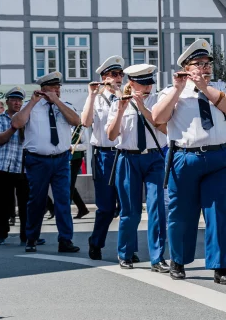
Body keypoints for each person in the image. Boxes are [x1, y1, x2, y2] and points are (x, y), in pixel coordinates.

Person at [152, 39, 226, 284]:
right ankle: (178, 261)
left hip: (220, 156)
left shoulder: (221, 87)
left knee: (219, 213)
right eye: (198, 64)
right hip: (185, 157)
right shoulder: (171, 91)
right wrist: (179, 89)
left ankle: (220, 266)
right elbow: (158, 118)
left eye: (207, 63)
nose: (204, 68)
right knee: (181, 213)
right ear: (186, 68)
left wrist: (204, 87)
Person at [106, 64, 169, 272]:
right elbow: (111, 136)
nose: (148, 88)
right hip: (128, 159)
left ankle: (157, 257)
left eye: (149, 83)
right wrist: (120, 111)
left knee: (157, 207)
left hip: (154, 158)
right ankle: (125, 253)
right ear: (131, 83)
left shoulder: (159, 99)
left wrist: (142, 106)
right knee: (130, 210)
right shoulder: (118, 103)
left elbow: (162, 125)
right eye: (143, 84)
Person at [11, 72, 81, 253]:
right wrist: (33, 102)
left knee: (63, 200)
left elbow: (76, 121)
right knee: (36, 201)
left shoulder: (65, 106)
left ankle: (65, 240)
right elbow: (17, 123)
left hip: (62, 159)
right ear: (43, 90)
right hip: (37, 161)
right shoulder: (30, 106)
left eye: (59, 87)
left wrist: (57, 102)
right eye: (53, 87)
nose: (57, 90)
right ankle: (31, 238)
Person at [82, 55, 124, 261]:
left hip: (125, 154)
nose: (119, 78)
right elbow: (86, 122)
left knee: (128, 206)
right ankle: (96, 242)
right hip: (105, 155)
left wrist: (120, 94)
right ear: (104, 77)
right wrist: (91, 95)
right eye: (114, 75)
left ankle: (127, 249)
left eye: (120, 74)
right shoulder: (97, 99)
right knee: (106, 207)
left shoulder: (127, 96)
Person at [0, 88, 43, 246]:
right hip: (1, 167)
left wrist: (22, 122)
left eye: (19, 100)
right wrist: (14, 126)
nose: (17, 103)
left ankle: (27, 236)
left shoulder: (28, 119)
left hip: (23, 168)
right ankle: (0, 234)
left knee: (27, 204)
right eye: (13, 99)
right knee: (0, 204)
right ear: (7, 102)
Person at [68, 125, 90, 219]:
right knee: (69, 185)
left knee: (69, 185)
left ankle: (65, 211)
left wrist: (72, 147)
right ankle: (82, 208)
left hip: (75, 159)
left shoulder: (81, 128)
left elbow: (86, 146)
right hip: (64, 158)